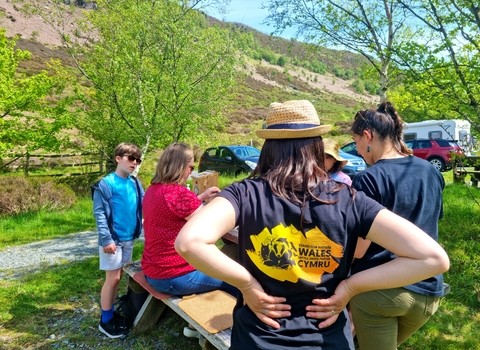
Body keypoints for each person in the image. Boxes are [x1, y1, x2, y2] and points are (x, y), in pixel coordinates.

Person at [174, 100, 449, 350]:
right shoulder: (351, 200)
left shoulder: (244, 193)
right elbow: (432, 258)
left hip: (258, 338)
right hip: (326, 340)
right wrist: (350, 288)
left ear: (269, 146)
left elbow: (190, 242)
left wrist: (247, 285)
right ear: (318, 145)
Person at [348, 101, 446, 350]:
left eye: (356, 141)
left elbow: (359, 250)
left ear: (367, 136)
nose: (358, 150)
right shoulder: (430, 172)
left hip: (379, 294)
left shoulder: (367, 179)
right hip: (428, 293)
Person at [141, 142, 238, 337]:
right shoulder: (178, 194)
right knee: (237, 280)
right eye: (191, 167)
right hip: (174, 275)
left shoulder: (154, 190)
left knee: (221, 271)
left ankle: (195, 327)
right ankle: (232, 328)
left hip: (153, 269)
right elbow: (211, 224)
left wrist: (199, 197)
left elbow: (177, 210)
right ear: (180, 166)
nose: (192, 171)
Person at [91, 142, 145, 339]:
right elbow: (99, 214)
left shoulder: (135, 183)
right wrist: (106, 239)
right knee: (112, 279)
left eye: (138, 160)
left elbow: (146, 204)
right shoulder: (106, 184)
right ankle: (105, 321)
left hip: (129, 239)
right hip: (113, 241)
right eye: (131, 158)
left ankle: (111, 313)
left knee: (118, 277)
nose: (135, 163)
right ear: (118, 158)